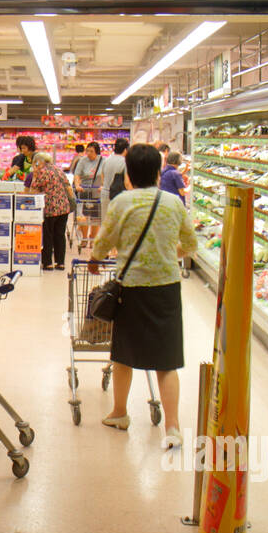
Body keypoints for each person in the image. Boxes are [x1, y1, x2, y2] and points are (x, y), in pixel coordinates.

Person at [89, 144, 197, 448]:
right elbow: (190, 244)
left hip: (131, 288)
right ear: (158, 173)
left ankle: (120, 413)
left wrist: (96, 259)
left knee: (124, 354)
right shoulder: (174, 203)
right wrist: (167, 255)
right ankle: (172, 427)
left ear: (129, 176)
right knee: (166, 360)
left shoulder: (122, 203)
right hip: (166, 288)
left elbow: (103, 241)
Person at [30, 152, 74, 270]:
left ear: (40, 162)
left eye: (36, 163)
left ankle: (48, 263)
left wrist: (34, 173)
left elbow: (33, 188)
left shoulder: (43, 172)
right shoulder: (58, 169)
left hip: (50, 207)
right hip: (63, 207)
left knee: (48, 235)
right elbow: (67, 185)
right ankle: (61, 262)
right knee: (60, 235)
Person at [73, 141, 104, 248]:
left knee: (96, 218)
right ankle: (85, 238)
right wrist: (77, 185)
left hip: (97, 192)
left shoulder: (103, 161)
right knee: (83, 217)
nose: (89, 153)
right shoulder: (82, 161)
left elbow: (105, 175)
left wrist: (103, 186)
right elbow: (77, 175)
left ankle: (93, 239)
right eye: (88, 151)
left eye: (91, 151)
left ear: (97, 152)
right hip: (84, 191)